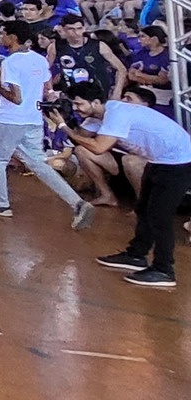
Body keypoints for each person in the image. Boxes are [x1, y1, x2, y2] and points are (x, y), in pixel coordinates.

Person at [65, 83, 191, 288]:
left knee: (160, 216)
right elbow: (82, 136)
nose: (76, 108)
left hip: (179, 161)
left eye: (79, 104)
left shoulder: (117, 114)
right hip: (159, 159)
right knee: (143, 208)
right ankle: (136, 255)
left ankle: (164, 270)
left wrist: (63, 127)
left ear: (96, 102)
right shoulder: (102, 115)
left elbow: (98, 147)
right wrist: (63, 122)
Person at [0, 22, 92, 229]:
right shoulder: (39, 60)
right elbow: (46, 87)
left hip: (10, 119)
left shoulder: (12, 62)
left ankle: (0, 204)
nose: (0, 37)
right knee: (38, 164)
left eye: (3, 34)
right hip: (33, 119)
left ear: (13, 37)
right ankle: (76, 202)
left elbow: (15, 97)